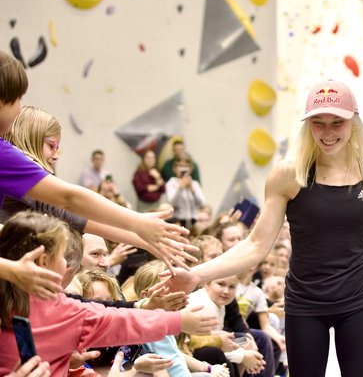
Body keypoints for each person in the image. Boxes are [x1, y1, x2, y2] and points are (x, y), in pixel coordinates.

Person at [155, 80, 363, 377]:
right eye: (319, 123)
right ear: (307, 125)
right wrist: (197, 274)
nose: (328, 132)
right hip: (305, 303)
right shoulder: (289, 174)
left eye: (337, 122)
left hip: (357, 300)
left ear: (353, 121)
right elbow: (256, 245)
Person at [0, 51, 193, 298]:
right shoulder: (8, 157)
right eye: (16, 99)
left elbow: (82, 217)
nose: (56, 155)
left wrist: (145, 238)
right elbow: (71, 201)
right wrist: (138, 223)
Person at [0, 211, 218, 377]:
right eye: (62, 255)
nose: (67, 264)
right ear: (43, 261)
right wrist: (178, 321)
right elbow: (115, 321)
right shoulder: (60, 312)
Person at [166, 156, 206, 230]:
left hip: (193, 220)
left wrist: (192, 189)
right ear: (175, 168)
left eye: (186, 166)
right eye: (180, 166)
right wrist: (180, 188)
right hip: (178, 220)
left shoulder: (194, 184)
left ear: (190, 169)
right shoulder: (171, 183)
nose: (183, 168)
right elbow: (172, 202)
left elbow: (202, 203)